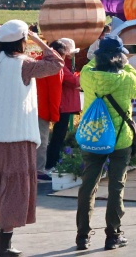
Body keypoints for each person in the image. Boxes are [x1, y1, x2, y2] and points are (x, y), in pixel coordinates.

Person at [0, 20, 64, 257]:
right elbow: (57, 63)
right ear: (21, 40)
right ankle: (4, 245)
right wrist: (38, 39)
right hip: (17, 136)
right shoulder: (23, 64)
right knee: (14, 187)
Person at [75, 35, 136, 251]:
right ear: (119, 56)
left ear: (98, 56)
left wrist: (97, 55)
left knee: (88, 186)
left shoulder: (87, 76)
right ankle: (113, 236)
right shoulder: (126, 79)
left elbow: (90, 64)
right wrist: (127, 65)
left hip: (93, 138)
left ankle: (82, 236)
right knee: (116, 187)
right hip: (120, 140)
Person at [45, 38, 81, 173]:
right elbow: (72, 80)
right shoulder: (60, 64)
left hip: (64, 104)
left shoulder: (62, 63)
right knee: (58, 136)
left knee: (58, 135)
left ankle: (52, 162)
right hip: (63, 105)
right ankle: (51, 163)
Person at [35, 32, 64, 182]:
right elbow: (54, 94)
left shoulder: (35, 62)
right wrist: (55, 115)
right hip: (43, 110)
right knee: (42, 140)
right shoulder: (53, 69)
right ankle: (39, 170)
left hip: (30, 108)